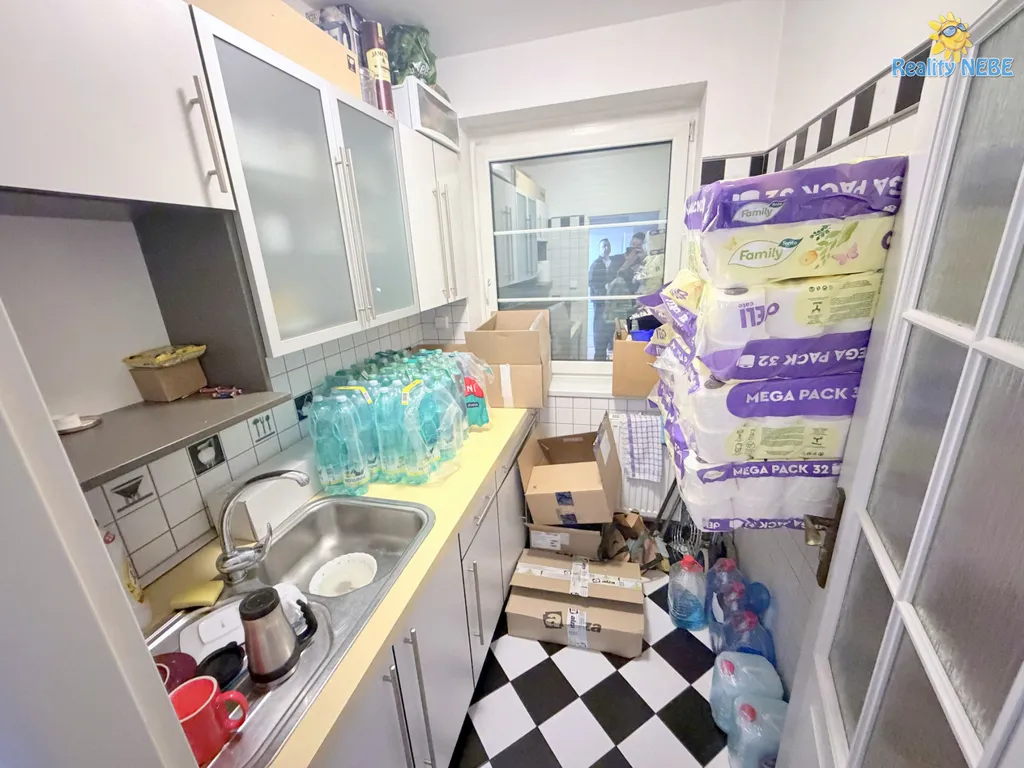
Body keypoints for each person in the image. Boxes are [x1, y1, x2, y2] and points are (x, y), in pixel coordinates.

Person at [588, 238, 620, 360]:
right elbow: (592, 283)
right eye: (603, 246)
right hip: (600, 304)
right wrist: (604, 290)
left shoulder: (615, 263)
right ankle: (599, 358)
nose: (606, 248)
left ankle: (612, 354)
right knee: (600, 332)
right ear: (599, 249)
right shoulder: (595, 265)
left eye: (608, 245)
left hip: (614, 304)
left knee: (612, 329)